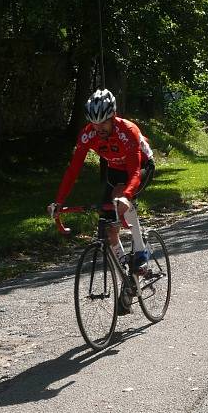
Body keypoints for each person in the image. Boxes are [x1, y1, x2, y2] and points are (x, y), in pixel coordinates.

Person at [48, 88, 155, 313]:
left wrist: (126, 197)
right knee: (108, 229)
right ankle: (128, 283)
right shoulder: (88, 134)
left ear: (113, 116)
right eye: (94, 124)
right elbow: (73, 170)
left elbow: (135, 172)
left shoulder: (128, 131)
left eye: (103, 124)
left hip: (141, 167)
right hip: (115, 170)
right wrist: (59, 202)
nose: (99, 129)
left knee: (119, 197)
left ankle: (142, 255)